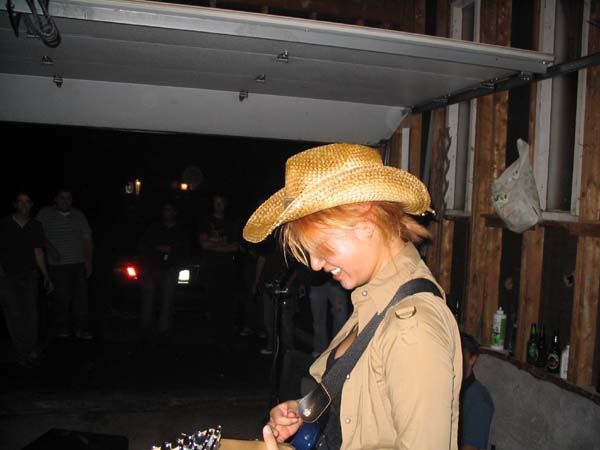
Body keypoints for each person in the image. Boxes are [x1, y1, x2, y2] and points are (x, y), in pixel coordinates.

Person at [244, 143, 462, 450]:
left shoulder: (413, 328)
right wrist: (304, 412)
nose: (315, 264)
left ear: (366, 222)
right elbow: (362, 398)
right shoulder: (375, 301)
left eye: (321, 246)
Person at [0, 192, 53, 367]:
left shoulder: (36, 225)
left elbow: (38, 251)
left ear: (31, 205)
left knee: (30, 313)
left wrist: (46, 275)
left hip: (29, 275)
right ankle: (20, 350)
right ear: (15, 204)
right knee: (13, 313)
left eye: (27, 202)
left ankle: (30, 349)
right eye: (20, 202)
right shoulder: (5, 224)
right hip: (7, 276)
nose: (23, 205)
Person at [37, 188, 93, 340]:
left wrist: (89, 261)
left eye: (68, 198)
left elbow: (87, 240)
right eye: (62, 197)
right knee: (61, 298)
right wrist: (50, 247)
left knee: (81, 299)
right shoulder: (45, 214)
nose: (65, 201)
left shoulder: (79, 215)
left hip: (78, 262)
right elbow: (37, 234)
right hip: (57, 265)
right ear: (56, 199)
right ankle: (62, 328)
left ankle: (81, 328)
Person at [137, 201, 190, 338]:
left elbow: (184, 251)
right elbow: (144, 246)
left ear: (175, 212)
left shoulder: (180, 231)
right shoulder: (154, 228)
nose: (167, 212)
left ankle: (163, 330)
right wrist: (154, 253)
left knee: (167, 298)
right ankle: (145, 329)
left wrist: (172, 252)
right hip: (152, 268)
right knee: (148, 295)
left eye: (170, 210)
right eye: (165, 209)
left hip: (170, 269)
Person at [198, 193, 240, 342]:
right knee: (211, 300)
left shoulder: (231, 224)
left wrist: (215, 243)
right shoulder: (206, 222)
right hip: (210, 267)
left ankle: (226, 334)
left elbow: (235, 246)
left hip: (227, 268)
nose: (218, 205)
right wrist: (222, 244)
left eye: (221, 202)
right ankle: (212, 334)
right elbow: (204, 244)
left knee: (226, 301)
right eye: (216, 202)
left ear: (225, 204)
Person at [459, 333, 495, 450]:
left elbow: (470, 447)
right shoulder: (448, 388)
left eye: (460, 354)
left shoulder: (479, 399)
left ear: (472, 359)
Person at [309, 273, 349, 356]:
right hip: (315, 280)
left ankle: (337, 348)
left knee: (341, 316)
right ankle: (320, 349)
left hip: (336, 279)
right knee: (318, 318)